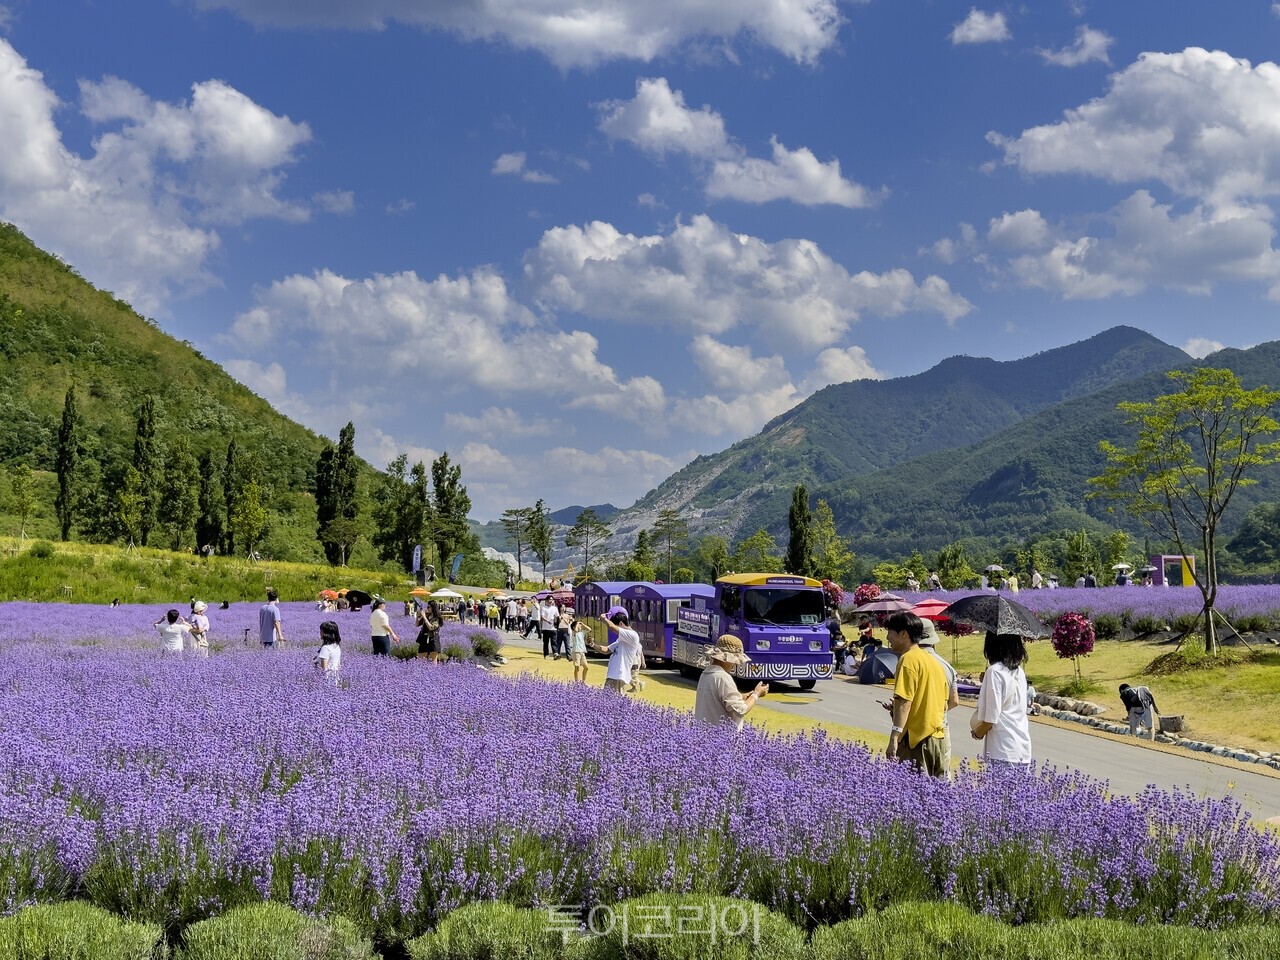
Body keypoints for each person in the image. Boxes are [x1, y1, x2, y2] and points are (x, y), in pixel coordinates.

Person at [884, 611, 948, 777]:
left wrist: (894, 738)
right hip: (937, 739)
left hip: (916, 742)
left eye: (890, 633)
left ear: (903, 634)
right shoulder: (932, 662)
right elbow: (944, 703)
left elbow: (905, 702)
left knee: (912, 795)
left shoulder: (908, 660)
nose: (887, 638)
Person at [971, 632, 1033, 767]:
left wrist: (978, 733)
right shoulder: (1019, 671)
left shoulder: (994, 672)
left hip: (1002, 749)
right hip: (1022, 747)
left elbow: (991, 718)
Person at [694, 635, 768, 730]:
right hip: (721, 739)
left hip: (704, 735)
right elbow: (741, 710)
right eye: (734, 660)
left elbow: (717, 699)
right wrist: (756, 694)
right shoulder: (723, 677)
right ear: (726, 659)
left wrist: (741, 697)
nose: (735, 664)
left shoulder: (706, 674)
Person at [917, 619, 961, 775]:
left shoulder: (913, 661)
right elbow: (955, 701)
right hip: (942, 727)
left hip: (919, 729)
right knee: (941, 774)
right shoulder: (946, 666)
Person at [599, 610, 643, 693]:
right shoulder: (621, 640)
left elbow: (611, 626)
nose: (615, 631)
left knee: (614, 703)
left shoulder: (632, 635)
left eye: (617, 627)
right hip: (612, 675)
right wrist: (592, 644)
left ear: (621, 624)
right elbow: (607, 650)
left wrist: (604, 618)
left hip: (619, 676)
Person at [569, 618, 590, 683]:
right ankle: (576, 682)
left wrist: (582, 624)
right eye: (579, 625)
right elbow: (575, 629)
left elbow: (589, 629)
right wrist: (576, 624)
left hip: (582, 651)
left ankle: (583, 681)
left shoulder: (582, 632)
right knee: (577, 668)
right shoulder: (574, 633)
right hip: (576, 651)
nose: (580, 626)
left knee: (586, 667)